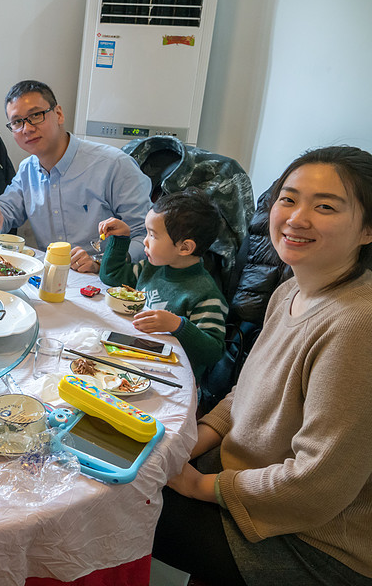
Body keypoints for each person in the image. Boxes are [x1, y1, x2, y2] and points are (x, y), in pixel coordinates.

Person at [153, 145, 372, 586]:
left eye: (325, 206)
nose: (296, 218)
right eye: (288, 199)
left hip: (315, 540)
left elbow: (317, 486)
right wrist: (190, 443)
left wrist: (199, 486)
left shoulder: (357, 324)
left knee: (112, 502)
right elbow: (244, 393)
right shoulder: (289, 291)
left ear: (368, 229)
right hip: (245, 481)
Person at [0, 79, 152, 273]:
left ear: (58, 114)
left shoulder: (114, 165)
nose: (27, 128)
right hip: (51, 280)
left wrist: (102, 263)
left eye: (36, 115)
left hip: (106, 284)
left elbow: (146, 236)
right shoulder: (27, 170)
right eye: (17, 122)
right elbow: (5, 209)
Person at [97, 189, 228, 383]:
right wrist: (121, 238)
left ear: (185, 248)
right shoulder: (152, 268)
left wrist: (178, 325)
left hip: (171, 378)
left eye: (153, 235)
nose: (145, 241)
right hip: (135, 361)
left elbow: (213, 352)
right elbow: (112, 276)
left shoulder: (206, 294)